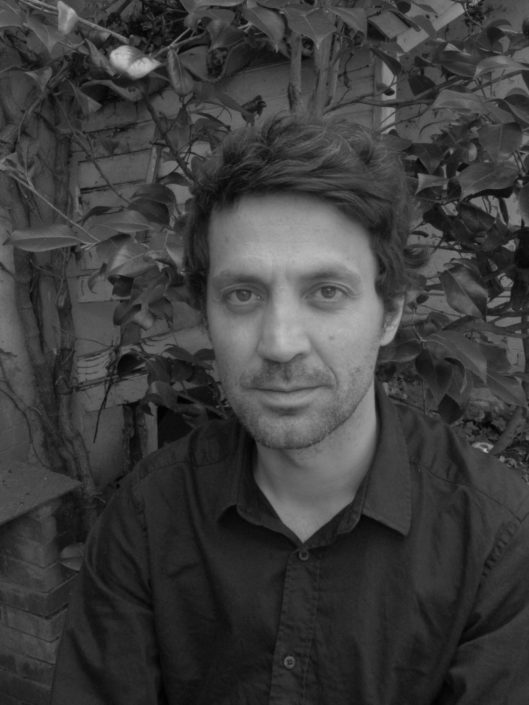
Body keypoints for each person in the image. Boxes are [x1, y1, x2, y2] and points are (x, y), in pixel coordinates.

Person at [51, 115, 529, 705]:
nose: (280, 343)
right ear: (207, 315)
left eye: (326, 292)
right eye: (243, 294)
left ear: (389, 314)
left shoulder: (498, 542)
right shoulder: (148, 515)